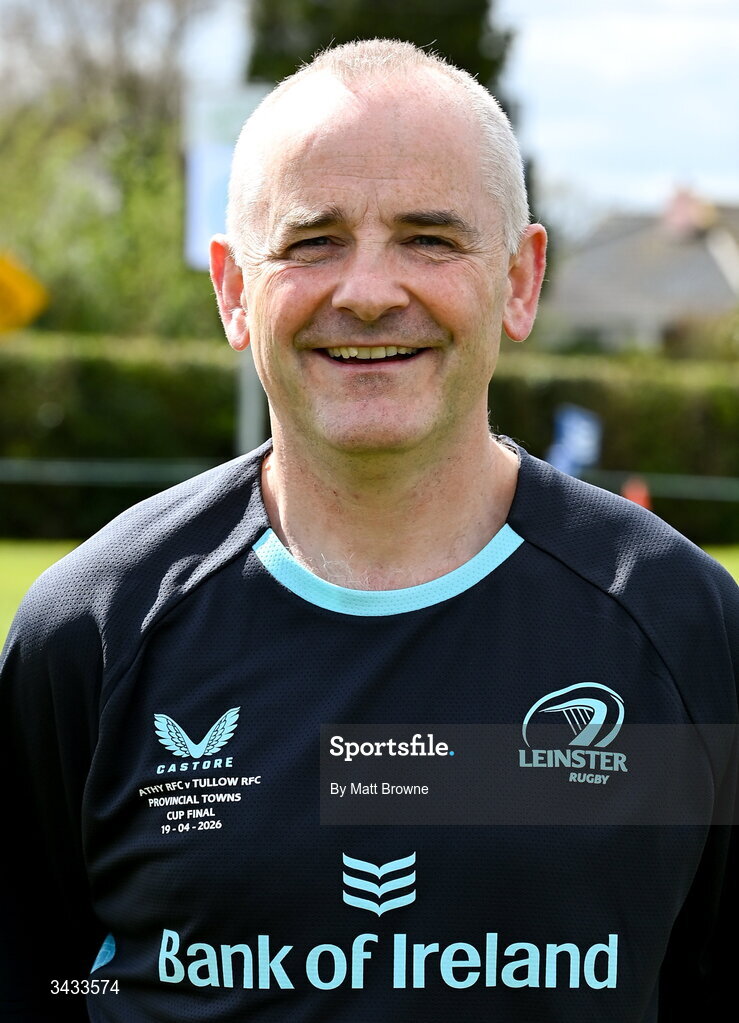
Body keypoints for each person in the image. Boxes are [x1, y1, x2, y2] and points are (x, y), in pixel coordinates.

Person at [1, 38, 736, 1023]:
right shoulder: (89, 632)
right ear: (232, 290)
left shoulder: (684, 627)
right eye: (312, 240)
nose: (368, 290)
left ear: (521, 280)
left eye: (430, 237)